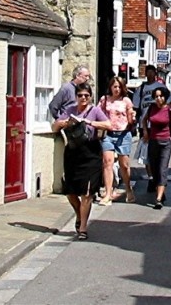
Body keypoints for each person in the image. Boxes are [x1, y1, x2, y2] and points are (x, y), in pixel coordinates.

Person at [51, 81, 111, 240]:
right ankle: (79, 214)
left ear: (90, 97)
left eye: (86, 95)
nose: (83, 98)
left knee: (87, 193)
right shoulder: (70, 110)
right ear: (76, 96)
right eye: (80, 95)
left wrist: (89, 122)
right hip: (72, 153)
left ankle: (83, 227)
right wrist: (65, 123)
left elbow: (108, 125)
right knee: (70, 192)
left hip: (90, 153)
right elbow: (54, 127)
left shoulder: (95, 110)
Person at [142, 86, 171, 209]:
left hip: (165, 143)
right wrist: (145, 131)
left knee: (162, 170)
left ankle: (158, 198)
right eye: (156, 96)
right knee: (154, 170)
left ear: (165, 97)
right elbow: (144, 120)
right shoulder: (151, 108)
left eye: (160, 96)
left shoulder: (169, 110)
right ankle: (160, 191)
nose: (158, 99)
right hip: (153, 142)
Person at [97, 76, 136, 204]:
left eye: (119, 87)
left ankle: (128, 189)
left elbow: (131, 118)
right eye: (115, 86)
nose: (117, 89)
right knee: (107, 162)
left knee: (124, 165)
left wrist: (132, 118)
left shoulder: (126, 101)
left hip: (123, 134)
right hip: (108, 134)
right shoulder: (104, 100)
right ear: (110, 87)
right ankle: (108, 193)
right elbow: (98, 113)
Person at [133, 65, 168, 190]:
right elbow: (136, 107)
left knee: (159, 153)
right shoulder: (141, 88)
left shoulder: (161, 88)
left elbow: (169, 103)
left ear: (155, 74)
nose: (150, 75)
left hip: (159, 125)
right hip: (145, 125)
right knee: (147, 153)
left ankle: (158, 176)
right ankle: (151, 178)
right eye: (148, 73)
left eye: (152, 73)